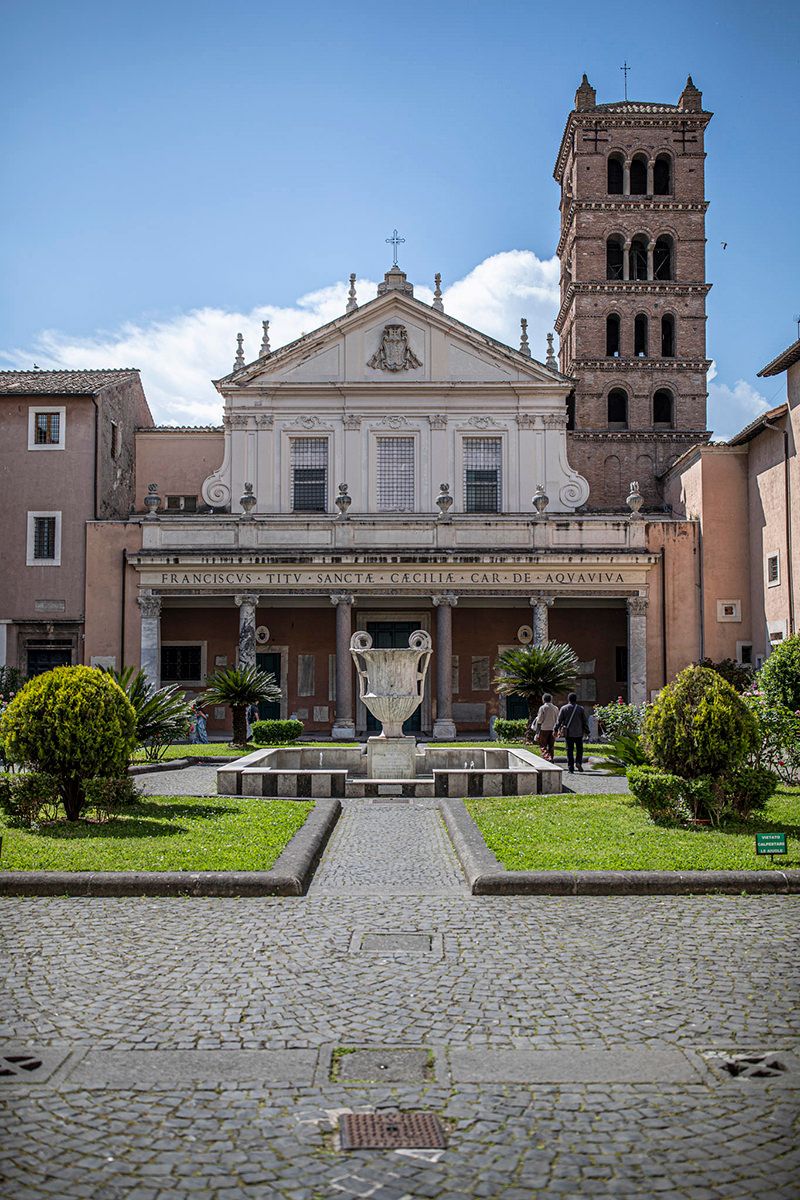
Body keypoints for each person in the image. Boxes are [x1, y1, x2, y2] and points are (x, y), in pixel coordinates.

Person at [555, 691, 591, 773]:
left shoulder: (564, 708)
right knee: (579, 749)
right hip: (579, 733)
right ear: (576, 699)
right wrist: (587, 731)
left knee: (569, 750)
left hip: (569, 733)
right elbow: (584, 721)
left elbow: (559, 720)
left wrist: (556, 729)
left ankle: (570, 768)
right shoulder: (580, 709)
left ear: (568, 699)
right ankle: (578, 762)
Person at [531, 692, 559, 762]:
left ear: (543, 700)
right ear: (551, 699)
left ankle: (547, 757)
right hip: (553, 729)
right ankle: (551, 758)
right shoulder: (555, 708)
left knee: (543, 745)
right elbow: (557, 719)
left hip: (544, 729)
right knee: (551, 746)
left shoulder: (543, 708)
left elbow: (540, 720)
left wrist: (537, 731)